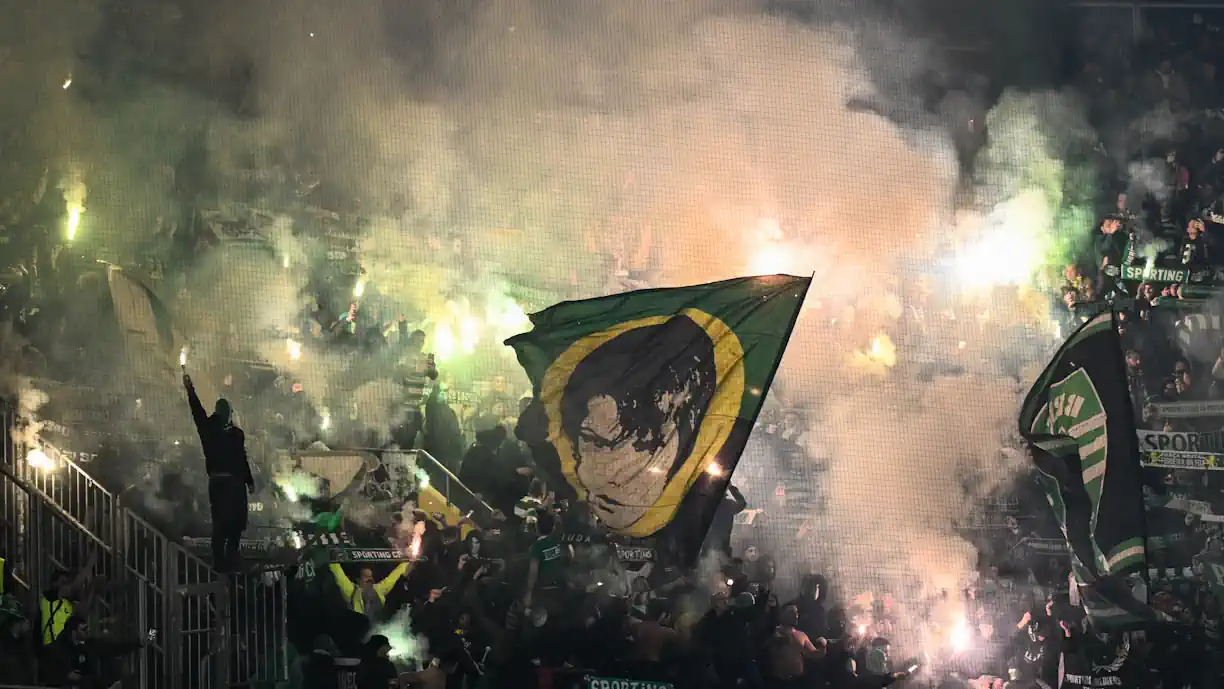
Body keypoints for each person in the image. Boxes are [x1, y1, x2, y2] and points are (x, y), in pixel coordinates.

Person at [183, 368, 254, 573]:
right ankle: (222, 562)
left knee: (229, 523)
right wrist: (248, 480)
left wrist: (190, 389)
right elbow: (242, 458)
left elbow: (197, 411)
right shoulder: (223, 431)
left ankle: (227, 558)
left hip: (225, 484)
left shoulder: (220, 431)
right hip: (229, 484)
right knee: (227, 524)